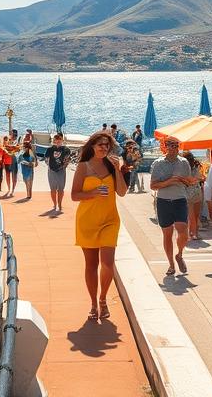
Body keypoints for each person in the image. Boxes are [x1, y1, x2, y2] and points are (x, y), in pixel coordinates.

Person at [71, 131, 126, 321]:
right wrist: (93, 192)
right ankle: (93, 303)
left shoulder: (111, 166)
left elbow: (122, 192)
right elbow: (74, 195)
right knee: (91, 264)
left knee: (108, 264)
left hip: (110, 220)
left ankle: (103, 299)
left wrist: (118, 170)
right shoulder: (83, 167)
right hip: (87, 221)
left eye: (106, 145)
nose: (104, 148)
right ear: (92, 146)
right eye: (100, 145)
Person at [150, 139, 193, 276]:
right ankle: (171, 265)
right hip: (163, 201)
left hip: (180, 199)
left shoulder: (184, 162)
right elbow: (153, 185)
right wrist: (170, 181)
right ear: (165, 147)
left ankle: (179, 254)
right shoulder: (158, 163)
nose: (174, 148)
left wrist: (182, 179)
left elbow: (188, 182)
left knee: (183, 232)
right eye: (171, 146)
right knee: (167, 234)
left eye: (176, 146)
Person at [43, 132, 71, 212]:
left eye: (59, 140)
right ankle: (55, 204)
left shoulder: (66, 149)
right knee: (53, 189)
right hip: (52, 170)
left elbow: (67, 159)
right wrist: (49, 166)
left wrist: (63, 167)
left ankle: (60, 203)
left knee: (61, 189)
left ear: (62, 140)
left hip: (61, 171)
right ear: (54, 141)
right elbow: (46, 159)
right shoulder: (50, 149)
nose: (58, 142)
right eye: (56, 140)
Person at [182, 150, 204, 241]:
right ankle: (194, 233)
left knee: (192, 216)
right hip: (196, 193)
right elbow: (199, 178)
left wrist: (191, 181)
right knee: (194, 215)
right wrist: (196, 180)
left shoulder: (185, 169)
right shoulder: (195, 167)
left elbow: (190, 181)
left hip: (189, 194)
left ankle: (192, 233)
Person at [4, 132, 20, 197]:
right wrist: (12, 148)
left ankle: (12, 190)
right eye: (12, 135)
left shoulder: (17, 142)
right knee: (8, 175)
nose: (13, 136)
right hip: (8, 160)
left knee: (14, 176)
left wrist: (11, 148)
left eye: (14, 135)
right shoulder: (7, 140)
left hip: (14, 160)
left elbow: (18, 149)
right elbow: (5, 147)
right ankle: (8, 189)